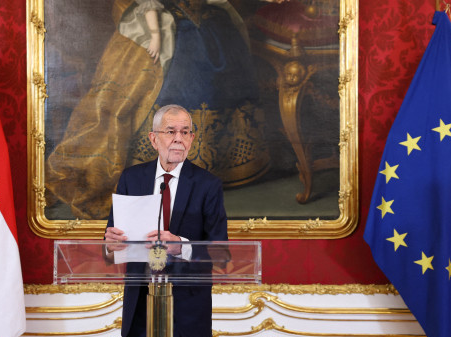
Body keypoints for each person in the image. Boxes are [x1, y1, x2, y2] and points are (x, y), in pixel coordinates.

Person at [45, 0, 285, 220]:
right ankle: (163, 168)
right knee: (181, 65)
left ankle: (224, 164)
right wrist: (156, 34)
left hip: (208, 19)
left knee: (224, 44)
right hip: (160, 21)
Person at [104, 104, 228, 337]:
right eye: (171, 131)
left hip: (187, 315)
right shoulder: (131, 178)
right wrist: (110, 245)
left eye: (185, 132)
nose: (178, 139)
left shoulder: (208, 185)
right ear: (153, 138)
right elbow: (110, 247)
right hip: (140, 313)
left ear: (192, 138)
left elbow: (221, 253)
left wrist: (181, 246)